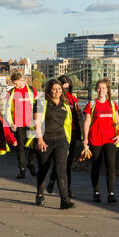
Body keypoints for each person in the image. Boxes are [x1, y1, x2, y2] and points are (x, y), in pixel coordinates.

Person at [26, 79, 75, 210]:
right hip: (45, 140)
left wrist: (68, 144)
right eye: (54, 89)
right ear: (49, 90)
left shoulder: (65, 104)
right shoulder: (41, 102)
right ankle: (40, 193)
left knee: (61, 170)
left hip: (61, 141)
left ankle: (64, 200)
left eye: (59, 89)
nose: (57, 91)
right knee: (43, 168)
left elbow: (67, 125)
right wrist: (40, 139)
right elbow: (36, 122)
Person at [83, 78, 119, 204]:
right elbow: (87, 122)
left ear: (107, 90)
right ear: (96, 89)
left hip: (110, 139)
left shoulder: (112, 104)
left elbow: (118, 120)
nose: (101, 90)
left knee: (111, 166)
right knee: (96, 166)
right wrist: (85, 139)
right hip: (95, 139)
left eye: (104, 88)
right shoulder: (91, 104)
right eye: (99, 88)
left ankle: (111, 194)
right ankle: (96, 192)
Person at [46, 75, 82, 198]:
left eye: (68, 88)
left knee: (68, 163)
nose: (65, 91)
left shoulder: (72, 100)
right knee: (59, 163)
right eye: (63, 88)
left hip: (72, 134)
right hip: (59, 134)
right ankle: (52, 178)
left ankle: (68, 189)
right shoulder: (52, 101)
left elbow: (76, 118)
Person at [5, 72, 38, 179]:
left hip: (31, 123)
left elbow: (37, 106)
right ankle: (22, 169)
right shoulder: (11, 92)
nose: (14, 85)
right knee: (21, 147)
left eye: (15, 83)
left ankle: (31, 163)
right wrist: (11, 123)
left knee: (34, 144)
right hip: (18, 124)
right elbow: (7, 109)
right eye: (13, 84)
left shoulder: (32, 90)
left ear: (21, 80)